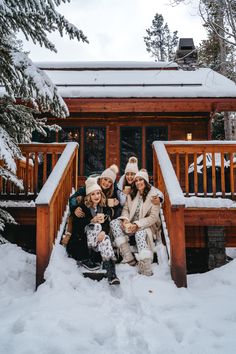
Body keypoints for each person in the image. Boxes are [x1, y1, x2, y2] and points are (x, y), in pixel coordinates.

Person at [67, 177, 120, 285]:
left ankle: (112, 274)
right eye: (93, 194)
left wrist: (103, 232)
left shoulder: (103, 208)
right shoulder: (82, 208)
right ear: (88, 196)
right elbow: (78, 227)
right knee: (95, 227)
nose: (97, 196)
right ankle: (96, 259)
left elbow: (106, 224)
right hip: (83, 243)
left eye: (98, 193)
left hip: (98, 242)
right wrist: (91, 220)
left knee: (105, 237)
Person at [110, 169, 162, 276]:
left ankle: (146, 267)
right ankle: (128, 257)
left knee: (140, 233)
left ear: (146, 181)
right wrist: (125, 220)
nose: (138, 182)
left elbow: (153, 218)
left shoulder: (154, 196)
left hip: (147, 226)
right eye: (136, 180)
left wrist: (137, 225)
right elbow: (126, 209)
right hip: (131, 225)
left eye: (141, 180)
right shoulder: (133, 194)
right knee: (114, 223)